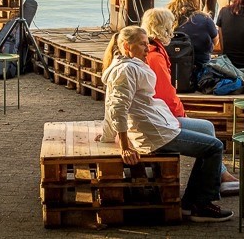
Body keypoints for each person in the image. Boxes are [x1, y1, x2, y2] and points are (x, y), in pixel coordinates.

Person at [100, 25, 233, 222]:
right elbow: (116, 108)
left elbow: (117, 105)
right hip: (154, 133)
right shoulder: (126, 70)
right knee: (214, 147)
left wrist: (108, 134)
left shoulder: (131, 64)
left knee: (207, 131)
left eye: (148, 44)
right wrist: (124, 146)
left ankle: (193, 202)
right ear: (127, 46)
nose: (147, 48)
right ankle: (201, 205)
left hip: (159, 123)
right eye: (143, 45)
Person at [140, 8, 244, 196]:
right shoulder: (156, 57)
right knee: (209, 135)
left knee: (207, 128)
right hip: (160, 121)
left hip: (157, 116)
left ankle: (221, 176)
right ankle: (212, 186)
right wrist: (181, 116)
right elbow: (166, 96)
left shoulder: (152, 52)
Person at [169, 0, 218, 80]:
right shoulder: (205, 19)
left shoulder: (168, 18)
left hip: (174, 69)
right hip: (201, 70)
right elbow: (215, 41)